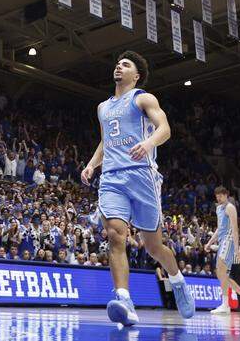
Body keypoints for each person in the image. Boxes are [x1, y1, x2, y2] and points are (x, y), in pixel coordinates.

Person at [80, 51, 195, 326]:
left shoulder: (143, 98)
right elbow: (106, 141)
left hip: (142, 175)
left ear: (137, 75)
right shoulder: (102, 108)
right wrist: (92, 164)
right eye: (118, 63)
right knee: (115, 236)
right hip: (111, 178)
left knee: (153, 247)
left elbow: (164, 129)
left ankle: (177, 280)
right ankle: (124, 301)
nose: (119, 66)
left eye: (126, 64)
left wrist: (149, 143)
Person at [208, 186, 240, 314]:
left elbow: (235, 229)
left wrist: (237, 249)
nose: (218, 198)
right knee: (222, 274)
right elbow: (219, 229)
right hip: (222, 241)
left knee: (220, 271)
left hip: (229, 241)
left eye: (221, 195)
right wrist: (209, 242)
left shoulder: (230, 207)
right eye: (217, 196)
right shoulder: (218, 208)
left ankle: (226, 305)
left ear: (226, 195)